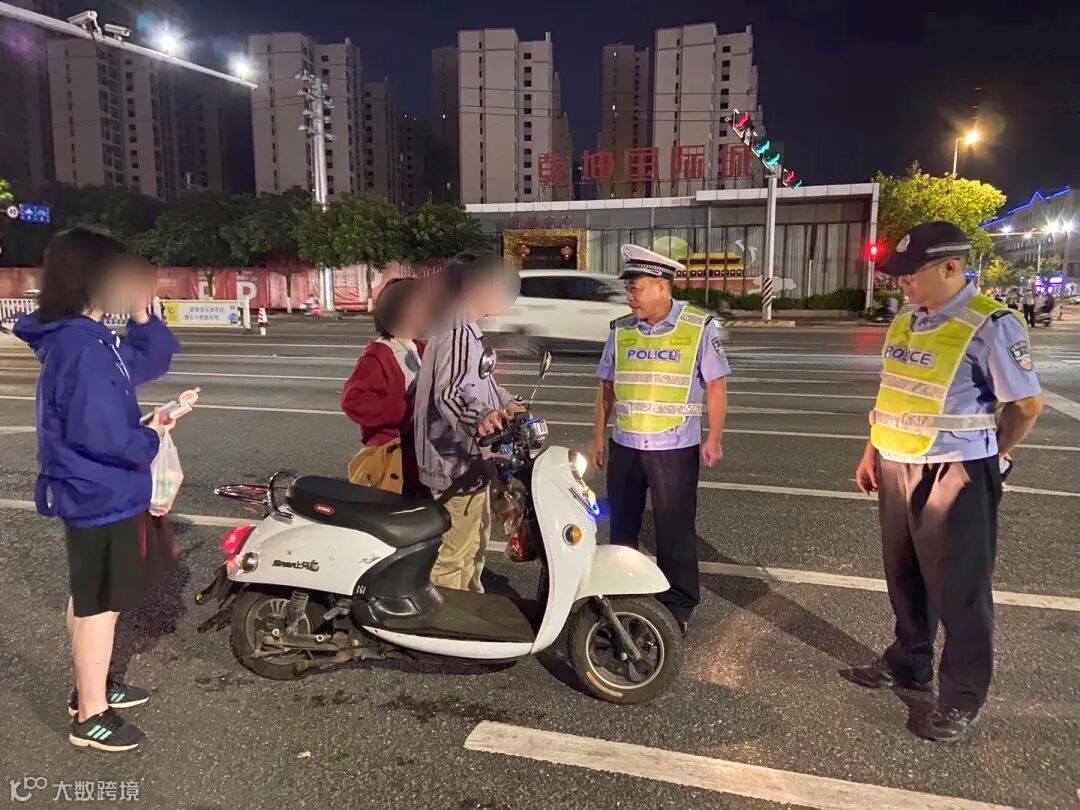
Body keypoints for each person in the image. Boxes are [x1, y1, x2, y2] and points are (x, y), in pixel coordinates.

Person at [845, 221, 1044, 743]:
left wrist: (993, 456)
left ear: (952, 267)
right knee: (904, 575)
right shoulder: (907, 320)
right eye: (899, 275)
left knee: (960, 590)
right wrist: (872, 450)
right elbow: (892, 393)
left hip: (955, 471)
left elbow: (1026, 405)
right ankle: (909, 661)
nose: (902, 283)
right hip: (896, 463)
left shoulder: (991, 324)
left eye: (912, 273)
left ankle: (962, 696)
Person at [13, 228, 180, 752]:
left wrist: (143, 316)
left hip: (95, 489)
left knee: (91, 597)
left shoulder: (83, 337)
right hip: (100, 492)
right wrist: (151, 433)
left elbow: (141, 364)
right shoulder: (81, 347)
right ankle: (90, 714)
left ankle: (91, 686)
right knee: (100, 606)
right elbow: (102, 435)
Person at [587, 245, 730, 634]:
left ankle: (677, 607)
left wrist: (714, 438)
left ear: (662, 287)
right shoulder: (621, 330)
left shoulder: (699, 327)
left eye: (635, 289)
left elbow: (716, 387)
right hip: (626, 447)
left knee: (674, 533)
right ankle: (622, 601)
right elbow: (606, 389)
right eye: (628, 289)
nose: (629, 297)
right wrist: (598, 438)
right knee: (622, 531)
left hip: (675, 450)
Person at [413, 254, 524, 591]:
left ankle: (468, 606)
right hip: (454, 464)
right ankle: (446, 616)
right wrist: (482, 418)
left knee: (473, 544)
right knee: (455, 555)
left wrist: (508, 404)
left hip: (466, 460)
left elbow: (483, 385)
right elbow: (450, 394)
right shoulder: (458, 331)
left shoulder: (466, 331)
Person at [341, 278, 427, 495]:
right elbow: (353, 401)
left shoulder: (419, 347)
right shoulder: (379, 354)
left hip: (420, 449)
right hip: (395, 452)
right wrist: (403, 411)